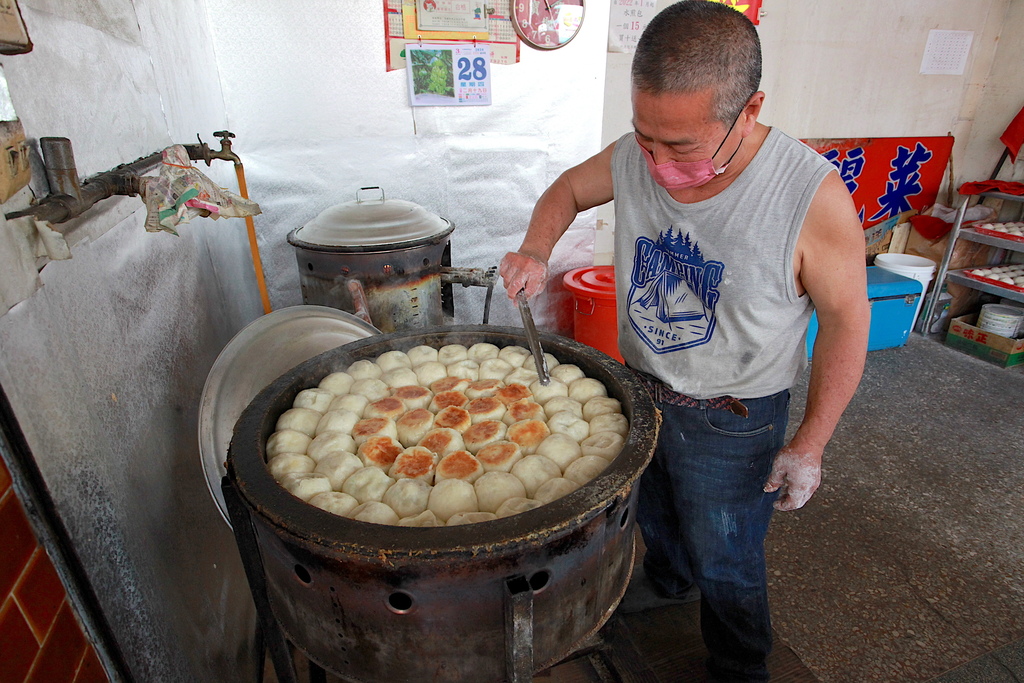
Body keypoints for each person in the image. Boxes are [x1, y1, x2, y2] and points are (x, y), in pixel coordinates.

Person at [499, 2, 870, 681]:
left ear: (749, 109)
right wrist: (534, 247)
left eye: (682, 147)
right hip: (642, 384)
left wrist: (811, 442)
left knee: (726, 553)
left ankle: (739, 661)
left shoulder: (807, 197)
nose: (657, 163)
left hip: (732, 416)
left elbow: (848, 319)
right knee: (657, 511)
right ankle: (669, 583)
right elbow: (566, 190)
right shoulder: (640, 152)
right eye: (646, 139)